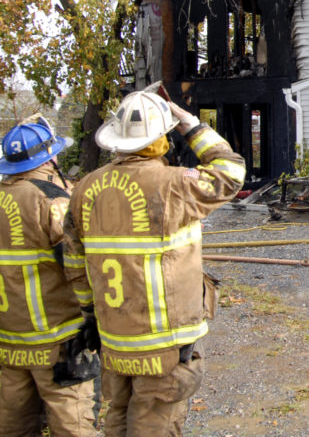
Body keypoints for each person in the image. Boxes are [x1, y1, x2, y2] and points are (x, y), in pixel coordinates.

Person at [63, 89, 245, 437]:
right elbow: (231, 171)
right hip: (165, 346)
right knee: (154, 424)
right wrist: (191, 126)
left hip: (114, 339)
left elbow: (75, 264)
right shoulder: (174, 184)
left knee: (116, 417)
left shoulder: (84, 189)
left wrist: (90, 316)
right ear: (161, 137)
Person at [0, 120, 98, 437]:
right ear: (49, 158)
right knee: (72, 424)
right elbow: (79, 263)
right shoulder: (52, 201)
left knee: (13, 425)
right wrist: (93, 314)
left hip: (11, 340)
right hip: (57, 341)